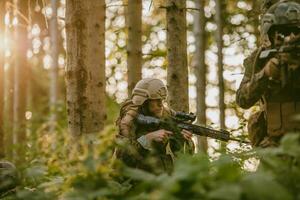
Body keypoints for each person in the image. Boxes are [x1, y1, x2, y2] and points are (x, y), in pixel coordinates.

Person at [236, 0, 300, 147]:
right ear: (270, 34)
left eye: (296, 31)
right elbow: (242, 100)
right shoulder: (261, 58)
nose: (290, 37)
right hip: (274, 145)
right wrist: (265, 73)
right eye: (282, 33)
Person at [116, 78, 194, 174]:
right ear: (144, 102)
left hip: (162, 181)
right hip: (135, 184)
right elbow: (122, 158)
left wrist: (184, 140)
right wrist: (147, 139)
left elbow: (184, 158)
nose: (160, 104)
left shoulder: (165, 116)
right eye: (156, 100)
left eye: (161, 100)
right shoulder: (129, 120)